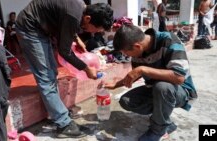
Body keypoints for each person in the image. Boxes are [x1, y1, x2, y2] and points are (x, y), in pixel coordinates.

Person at [15, 0, 113, 138]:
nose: (94, 33)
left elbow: (64, 20)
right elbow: (64, 51)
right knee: (46, 77)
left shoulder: (80, 9)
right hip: (30, 28)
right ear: (88, 18)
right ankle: (64, 124)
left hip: (41, 28)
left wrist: (76, 37)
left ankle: (57, 114)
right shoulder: (74, 15)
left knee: (51, 72)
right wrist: (86, 69)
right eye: (95, 29)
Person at [104, 25, 197, 141]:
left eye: (126, 53)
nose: (126, 57)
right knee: (126, 101)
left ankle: (159, 130)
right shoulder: (138, 52)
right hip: (156, 89)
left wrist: (143, 69)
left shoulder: (169, 40)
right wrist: (115, 84)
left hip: (180, 90)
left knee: (162, 87)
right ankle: (161, 116)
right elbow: (136, 75)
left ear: (137, 46)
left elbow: (179, 77)